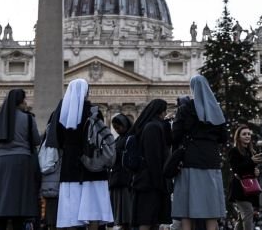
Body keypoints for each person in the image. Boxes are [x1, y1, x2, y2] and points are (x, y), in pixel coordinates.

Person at [52, 78, 114, 229]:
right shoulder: (93, 111)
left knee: (71, 211)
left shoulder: (60, 113)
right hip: (91, 162)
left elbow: (57, 140)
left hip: (70, 162)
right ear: (86, 92)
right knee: (93, 209)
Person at [171, 75, 228, 230]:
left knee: (187, 210)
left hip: (190, 160)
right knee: (211, 210)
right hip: (211, 162)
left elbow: (175, 135)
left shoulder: (186, 108)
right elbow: (224, 137)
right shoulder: (216, 109)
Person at [0, 89, 41, 230]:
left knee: (2, 203)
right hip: (22, 162)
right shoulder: (28, 118)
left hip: (1, 163)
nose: (25, 103)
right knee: (19, 204)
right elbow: (36, 140)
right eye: (24, 100)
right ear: (19, 101)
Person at [129, 99, 173, 230]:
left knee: (153, 220)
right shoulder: (152, 127)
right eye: (165, 111)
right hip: (150, 182)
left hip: (149, 181)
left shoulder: (151, 125)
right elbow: (153, 157)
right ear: (161, 111)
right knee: (147, 219)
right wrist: (159, 182)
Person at [228, 124, 262, 230]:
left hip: (249, 188)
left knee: (242, 217)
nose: (247, 136)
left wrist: (256, 172)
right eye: (244, 134)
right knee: (248, 213)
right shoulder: (234, 151)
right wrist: (251, 161)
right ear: (238, 137)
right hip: (239, 188)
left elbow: (249, 170)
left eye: (249, 134)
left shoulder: (251, 152)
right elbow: (236, 169)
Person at [109, 114, 135, 230]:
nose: (117, 130)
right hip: (117, 179)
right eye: (114, 128)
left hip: (126, 180)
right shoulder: (118, 139)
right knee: (121, 217)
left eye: (118, 127)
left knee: (127, 214)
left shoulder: (131, 138)